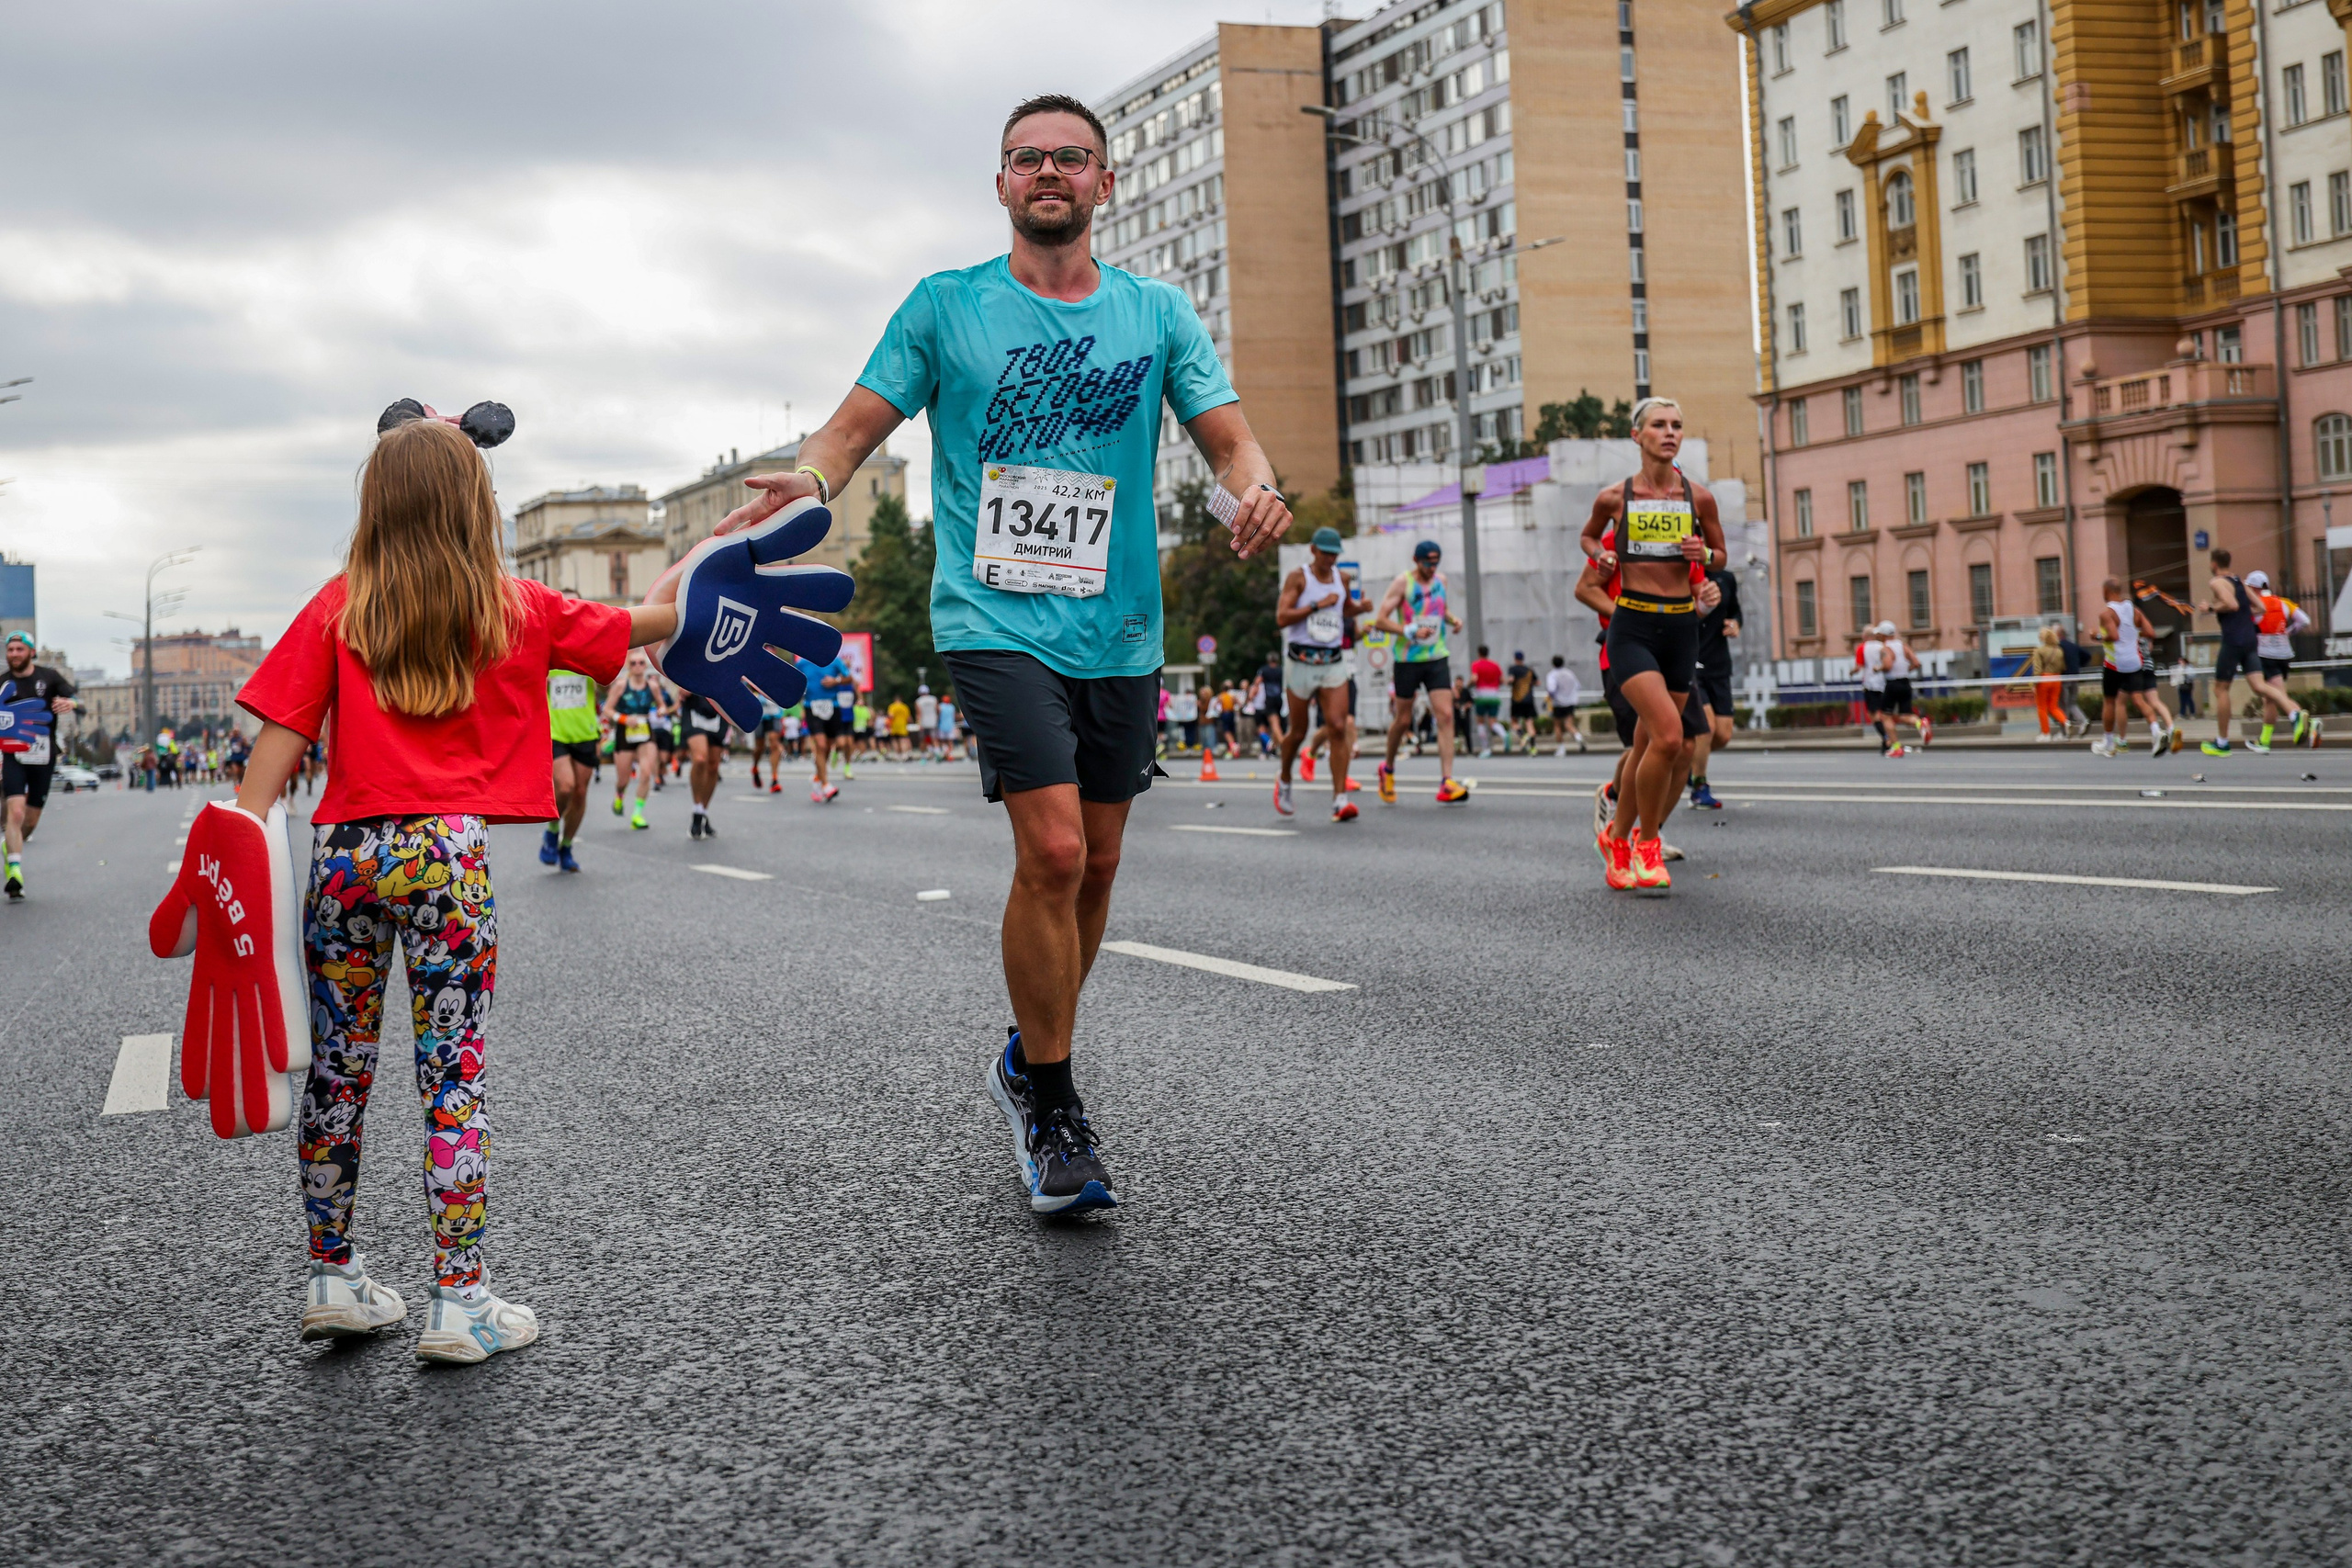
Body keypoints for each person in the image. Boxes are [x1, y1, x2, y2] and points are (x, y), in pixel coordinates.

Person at [704, 92, 1291, 1214]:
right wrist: (812, 480)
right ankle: (1055, 1103)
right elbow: (852, 426)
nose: (1049, 173)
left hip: (1119, 624)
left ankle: (1029, 1053)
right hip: (991, 612)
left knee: (1103, 863)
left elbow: (1227, 435)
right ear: (1001, 184)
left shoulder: (1157, 315)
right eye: (1027, 159)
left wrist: (1253, 489)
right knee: (1058, 850)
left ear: (1105, 184)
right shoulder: (945, 307)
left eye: (1072, 158)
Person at [228, 415, 683, 1361]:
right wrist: (696, 568)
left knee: (338, 1075)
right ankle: (461, 1299)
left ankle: (331, 1276)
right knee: (453, 1077)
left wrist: (229, 856)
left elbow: (264, 769)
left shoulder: (339, 605)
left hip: (345, 858)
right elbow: (651, 623)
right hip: (445, 857)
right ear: (475, 504)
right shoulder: (510, 604)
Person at [1579, 397, 1726, 890]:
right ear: (1637, 436)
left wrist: (1702, 552)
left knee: (1652, 742)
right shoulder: (1615, 498)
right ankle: (1647, 843)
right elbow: (1587, 538)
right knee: (1668, 736)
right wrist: (1601, 558)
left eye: (1677, 426)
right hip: (1633, 628)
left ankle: (1618, 841)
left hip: (1683, 629)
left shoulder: (1698, 498)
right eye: (1659, 425)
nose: (1670, 432)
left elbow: (1721, 555)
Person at [1577, 506, 1713, 886]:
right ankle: (1618, 805)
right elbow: (1584, 588)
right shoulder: (1619, 538)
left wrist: (1707, 600)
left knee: (1684, 746)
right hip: (1627, 650)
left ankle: (1644, 833)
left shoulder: (1687, 543)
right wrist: (1628, 616)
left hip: (1674, 649)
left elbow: (1696, 596)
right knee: (1657, 740)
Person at [1273, 525, 1360, 822]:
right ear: (1313, 550)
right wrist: (1314, 605)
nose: (1330, 560)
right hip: (1301, 661)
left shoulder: (1342, 579)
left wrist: (1361, 609)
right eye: (1325, 553)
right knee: (1298, 732)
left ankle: (1340, 799)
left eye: (1334, 555)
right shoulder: (1299, 578)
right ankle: (1284, 778)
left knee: (1338, 726)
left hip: (1333, 661)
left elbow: (1344, 611)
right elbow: (1282, 618)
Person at [1371, 540, 1468, 805]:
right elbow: (1380, 619)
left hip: (1436, 655)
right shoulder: (1403, 583)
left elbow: (1440, 609)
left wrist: (1453, 619)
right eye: (1428, 563)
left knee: (1446, 715)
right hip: (1408, 658)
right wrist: (1409, 630)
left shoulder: (1442, 581)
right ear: (1416, 560)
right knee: (1403, 721)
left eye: (1436, 563)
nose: (1432, 568)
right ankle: (1387, 769)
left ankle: (1446, 782)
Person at [0, 633, 76, 900]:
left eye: (19, 649)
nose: (14, 654)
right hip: (13, 755)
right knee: (16, 811)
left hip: (43, 756)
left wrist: (70, 703)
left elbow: (73, 698)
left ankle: (9, 845)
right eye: (10, 649)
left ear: (31, 652)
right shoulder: (3, 683)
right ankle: (15, 872)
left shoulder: (49, 677)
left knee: (30, 820)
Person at [2096, 577, 2175, 756]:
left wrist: (2097, 637)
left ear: (2107, 591)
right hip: (2135, 661)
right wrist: (2134, 634)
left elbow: (2114, 636)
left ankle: (2108, 742)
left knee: (2109, 701)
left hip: (2115, 663)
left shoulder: (2106, 614)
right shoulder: (2133, 609)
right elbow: (2151, 632)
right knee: (2139, 699)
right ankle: (2157, 732)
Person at [2200, 547, 2264, 756]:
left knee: (2220, 690)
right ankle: (2295, 713)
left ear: (2213, 564)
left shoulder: (2217, 582)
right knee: (2260, 686)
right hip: (2250, 639)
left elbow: (2231, 604)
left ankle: (2222, 742)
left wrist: (2210, 608)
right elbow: (2260, 607)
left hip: (2233, 640)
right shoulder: (2238, 581)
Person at [1686, 568, 1742, 807]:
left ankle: (1688, 766)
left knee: (1723, 734)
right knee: (1705, 728)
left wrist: (1735, 623)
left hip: (1718, 663)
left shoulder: (1725, 577)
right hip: (1690, 661)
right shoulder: (1681, 573)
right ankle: (1699, 787)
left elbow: (1735, 611)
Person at [2245, 570, 2315, 750]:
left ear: (2253, 587)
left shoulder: (2255, 606)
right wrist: (2289, 632)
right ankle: (2264, 741)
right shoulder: (2283, 603)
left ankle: (2307, 722)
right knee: (2270, 699)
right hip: (2284, 655)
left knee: (2278, 695)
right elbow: (2305, 621)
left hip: (2265, 655)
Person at [540, 661, 598, 871]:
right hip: (556, 733)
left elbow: (607, 685)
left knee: (580, 793)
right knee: (566, 786)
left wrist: (600, 674)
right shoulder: (549, 660)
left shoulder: (587, 659)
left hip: (586, 733)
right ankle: (553, 829)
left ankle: (566, 846)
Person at [600, 650, 666, 828]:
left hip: (645, 731)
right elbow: (607, 709)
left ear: (645, 666)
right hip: (625, 732)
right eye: (634, 663)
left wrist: (661, 711)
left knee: (646, 773)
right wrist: (624, 719)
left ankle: (637, 815)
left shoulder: (652, 686)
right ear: (629, 666)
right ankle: (619, 796)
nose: (638, 666)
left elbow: (662, 705)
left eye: (641, 663)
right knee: (623, 780)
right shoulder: (621, 685)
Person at [797, 646, 856, 802]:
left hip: (833, 707)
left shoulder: (835, 661)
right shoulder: (802, 664)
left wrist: (836, 681)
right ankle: (826, 784)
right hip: (812, 707)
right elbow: (794, 681)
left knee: (829, 746)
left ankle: (818, 778)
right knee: (821, 746)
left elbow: (849, 678)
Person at [1879, 621, 1934, 751]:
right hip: (1905, 683)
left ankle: (1896, 747)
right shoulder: (1903, 645)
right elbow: (1916, 662)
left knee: (1886, 716)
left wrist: (1878, 668)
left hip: (1892, 683)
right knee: (1905, 715)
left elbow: (1888, 665)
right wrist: (1905, 670)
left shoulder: (1885, 648)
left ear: (1883, 635)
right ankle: (1920, 723)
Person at [681, 691, 728, 838]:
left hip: (718, 712)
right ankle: (697, 809)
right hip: (695, 713)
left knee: (713, 767)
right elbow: (682, 690)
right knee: (700, 758)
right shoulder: (690, 666)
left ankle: (702, 811)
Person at [2019, 624, 2069, 742]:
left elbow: (2037, 669)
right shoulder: (2059, 651)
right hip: (2057, 679)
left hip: (2044, 679)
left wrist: (2033, 684)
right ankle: (2065, 722)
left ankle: (2046, 733)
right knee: (2053, 706)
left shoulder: (2039, 650)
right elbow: (2063, 666)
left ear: (2042, 638)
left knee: (2042, 707)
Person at [1544, 655, 1586, 755]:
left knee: (1557, 726)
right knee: (1569, 724)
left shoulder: (1552, 675)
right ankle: (1578, 737)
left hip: (1558, 703)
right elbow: (1578, 686)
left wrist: (1547, 700)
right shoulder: (1570, 673)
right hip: (1570, 702)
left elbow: (1551, 690)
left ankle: (1561, 748)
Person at [1468, 646, 1505, 757]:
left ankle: (1485, 748)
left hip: (1481, 694)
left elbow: (1474, 678)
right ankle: (1503, 735)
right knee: (1493, 722)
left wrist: (1469, 685)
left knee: (1480, 722)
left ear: (1479, 653)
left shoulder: (1476, 664)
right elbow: (1502, 680)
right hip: (1494, 694)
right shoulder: (1495, 665)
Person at [1505, 650, 1539, 754]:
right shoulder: (1529, 670)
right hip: (1529, 700)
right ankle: (1533, 748)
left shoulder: (1513, 669)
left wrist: (1508, 682)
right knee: (1529, 723)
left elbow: (1511, 679)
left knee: (1514, 722)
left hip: (1517, 699)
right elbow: (1537, 682)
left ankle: (1522, 735)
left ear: (1515, 658)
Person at [915, 684, 940, 758]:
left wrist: (919, 723)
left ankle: (923, 756)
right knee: (934, 738)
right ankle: (937, 754)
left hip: (923, 722)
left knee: (923, 739)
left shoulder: (918, 701)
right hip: (933, 721)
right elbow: (938, 710)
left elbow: (919, 713)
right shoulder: (934, 699)